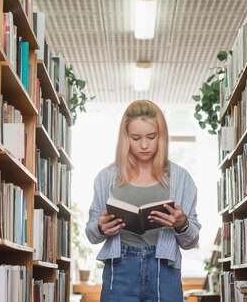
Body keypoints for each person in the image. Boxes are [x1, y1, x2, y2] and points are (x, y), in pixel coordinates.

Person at [85, 100, 201, 302]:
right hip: (120, 271)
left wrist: (181, 224)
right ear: (125, 138)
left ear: (162, 137)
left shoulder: (181, 178)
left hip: (164, 272)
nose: (145, 145)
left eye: (151, 137)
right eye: (136, 138)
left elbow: (191, 242)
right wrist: (101, 228)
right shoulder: (106, 178)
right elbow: (91, 235)